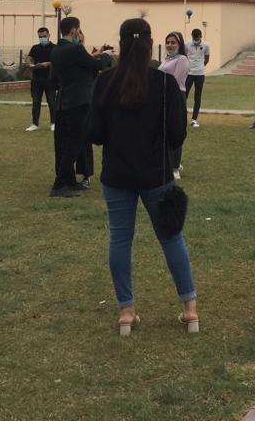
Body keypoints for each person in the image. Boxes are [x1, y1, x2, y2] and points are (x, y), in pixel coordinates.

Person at [87, 18, 197, 336]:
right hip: (156, 174)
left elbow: (94, 133)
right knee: (171, 237)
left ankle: (126, 312)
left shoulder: (105, 81)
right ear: (151, 45)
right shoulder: (164, 84)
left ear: (121, 44)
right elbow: (177, 134)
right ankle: (190, 309)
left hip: (117, 174)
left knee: (120, 239)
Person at [49, 17, 112, 196]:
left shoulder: (56, 50)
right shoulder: (76, 49)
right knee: (74, 144)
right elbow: (97, 65)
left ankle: (69, 180)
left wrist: (93, 56)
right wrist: (106, 55)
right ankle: (59, 185)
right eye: (78, 29)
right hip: (79, 101)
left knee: (64, 143)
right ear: (73, 30)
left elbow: (76, 66)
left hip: (64, 101)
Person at [159, 32, 190, 179]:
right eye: (168, 42)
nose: (170, 45)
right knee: (165, 131)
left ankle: (175, 167)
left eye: (173, 42)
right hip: (164, 97)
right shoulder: (166, 58)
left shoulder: (182, 59)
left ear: (179, 44)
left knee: (176, 130)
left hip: (177, 97)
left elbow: (175, 82)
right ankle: (168, 162)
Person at [26, 26, 57, 132]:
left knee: (52, 102)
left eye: (44, 36)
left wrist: (48, 64)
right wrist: (30, 64)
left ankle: (53, 123)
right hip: (36, 79)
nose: (42, 38)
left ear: (48, 35)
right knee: (36, 102)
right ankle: (35, 124)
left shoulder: (55, 48)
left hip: (50, 79)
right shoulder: (35, 48)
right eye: (40, 37)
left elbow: (57, 61)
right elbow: (29, 58)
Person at [185, 28, 210, 128]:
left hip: (200, 74)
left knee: (197, 97)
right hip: (189, 74)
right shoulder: (187, 44)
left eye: (197, 38)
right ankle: (182, 117)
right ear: (192, 36)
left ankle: (194, 120)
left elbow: (207, 59)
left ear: (201, 36)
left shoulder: (206, 45)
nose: (196, 40)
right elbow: (184, 56)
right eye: (194, 38)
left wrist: (200, 67)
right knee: (184, 95)